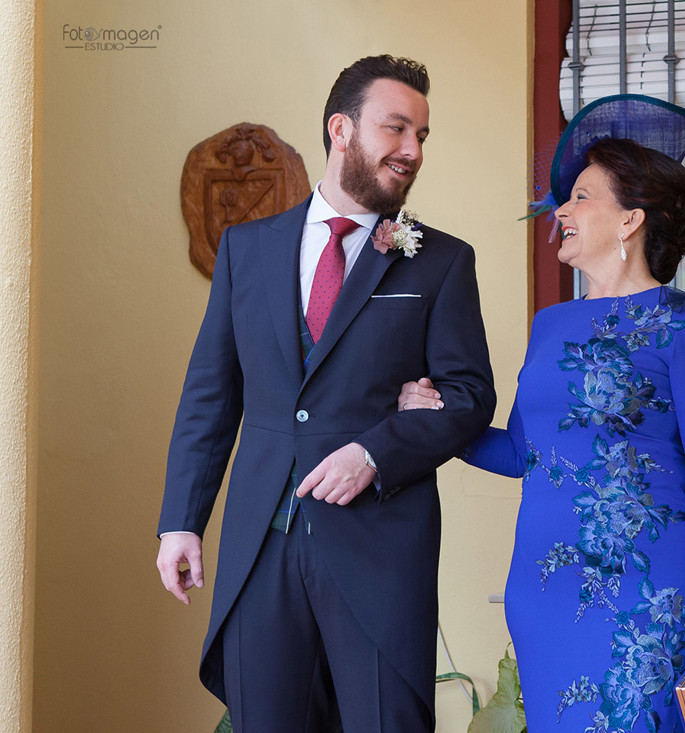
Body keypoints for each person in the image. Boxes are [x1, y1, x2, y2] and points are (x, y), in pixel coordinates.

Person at [155, 55, 495, 732]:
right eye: (396, 128)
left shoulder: (442, 261)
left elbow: (468, 397)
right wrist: (181, 519)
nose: (411, 150)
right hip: (261, 548)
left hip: (380, 550)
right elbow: (210, 396)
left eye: (421, 136)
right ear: (341, 129)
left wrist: (376, 450)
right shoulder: (245, 250)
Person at [400, 95, 685, 732]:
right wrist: (441, 418)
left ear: (630, 221)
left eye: (582, 196)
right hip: (544, 592)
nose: (562, 210)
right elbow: (521, 455)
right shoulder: (550, 325)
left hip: (645, 597)